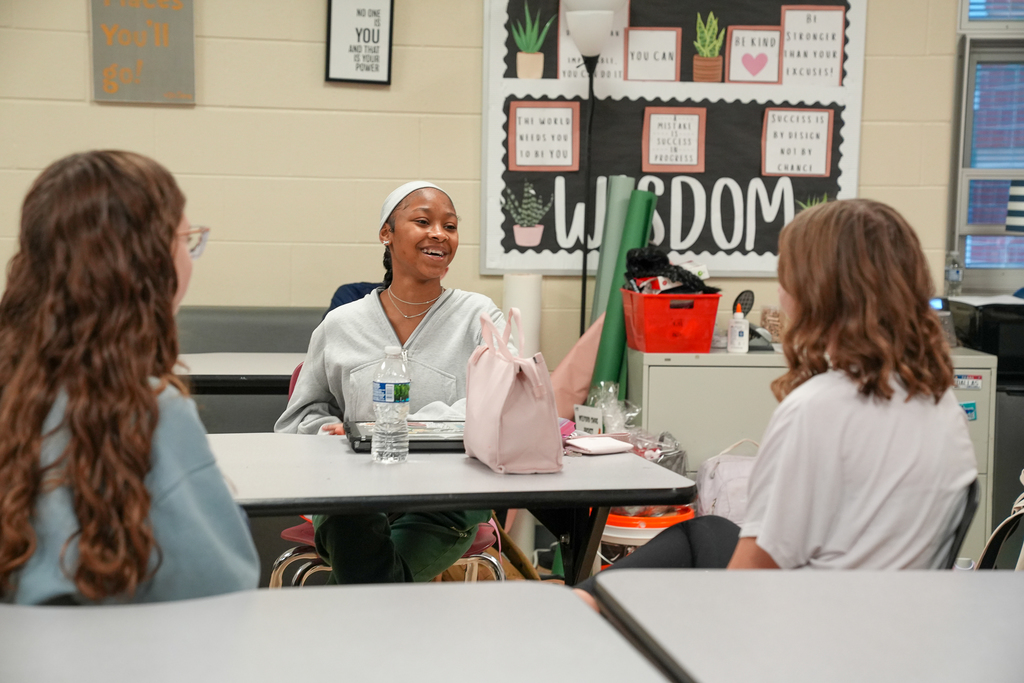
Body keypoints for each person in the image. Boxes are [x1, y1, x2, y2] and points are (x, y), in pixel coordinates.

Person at [577, 198, 977, 600]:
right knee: (710, 530)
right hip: (899, 627)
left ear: (816, 293)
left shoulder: (818, 409)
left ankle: (583, 603)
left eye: (787, 277)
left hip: (809, 635)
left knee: (688, 548)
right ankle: (586, 600)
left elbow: (749, 582)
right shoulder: (942, 405)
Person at [0, 151, 260, 605]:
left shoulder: (15, 388)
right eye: (187, 238)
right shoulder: (149, 410)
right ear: (150, 260)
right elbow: (221, 586)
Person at [275, 181, 508, 584]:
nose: (439, 234)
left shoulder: (479, 316)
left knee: (365, 577)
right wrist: (326, 434)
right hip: (353, 493)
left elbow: (501, 401)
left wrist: (407, 430)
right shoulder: (342, 324)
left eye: (449, 226)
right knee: (354, 527)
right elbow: (299, 418)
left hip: (446, 498)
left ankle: (329, 637)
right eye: (422, 221)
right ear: (387, 233)